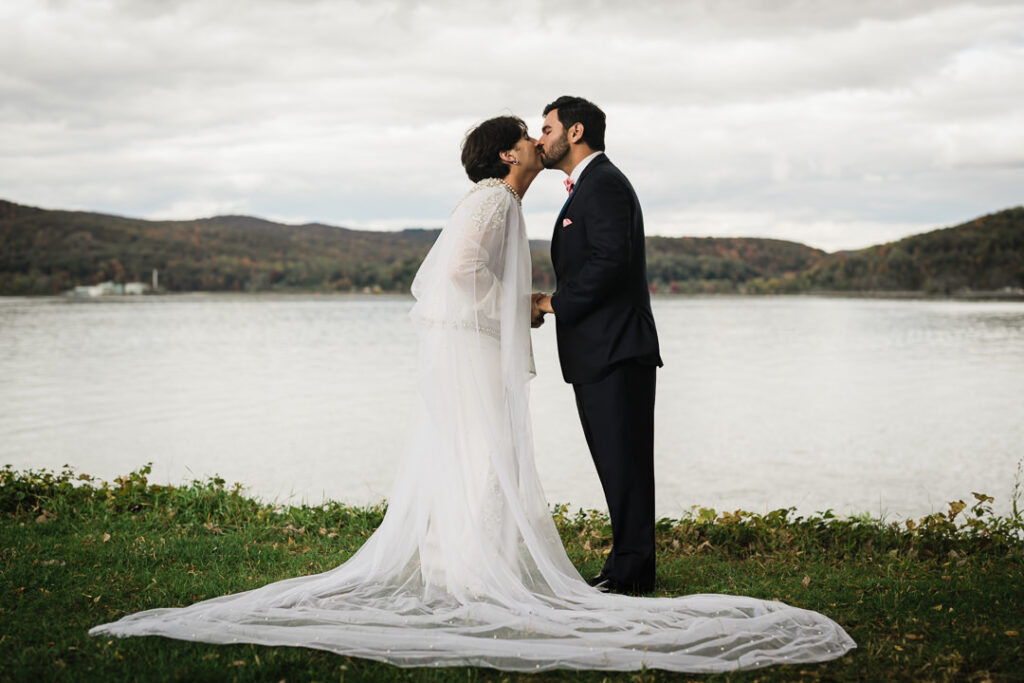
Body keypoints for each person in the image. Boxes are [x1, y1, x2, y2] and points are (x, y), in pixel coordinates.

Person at [89, 115, 855, 673]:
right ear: (504, 152)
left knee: (480, 455)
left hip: (537, 345)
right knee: (481, 453)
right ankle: (477, 572)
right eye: (527, 134)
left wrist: (535, 304)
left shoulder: (532, 198)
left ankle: (485, 566)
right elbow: (452, 276)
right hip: (476, 346)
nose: (536, 140)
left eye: (544, 129)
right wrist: (522, 307)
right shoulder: (496, 201)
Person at [532, 96, 662, 595]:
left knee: (625, 463)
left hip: (616, 348)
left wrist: (549, 304)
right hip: (599, 350)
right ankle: (627, 567)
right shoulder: (590, 185)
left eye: (547, 129)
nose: (541, 139)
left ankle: (631, 572)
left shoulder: (604, 183)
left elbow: (609, 263)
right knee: (616, 463)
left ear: (576, 131)